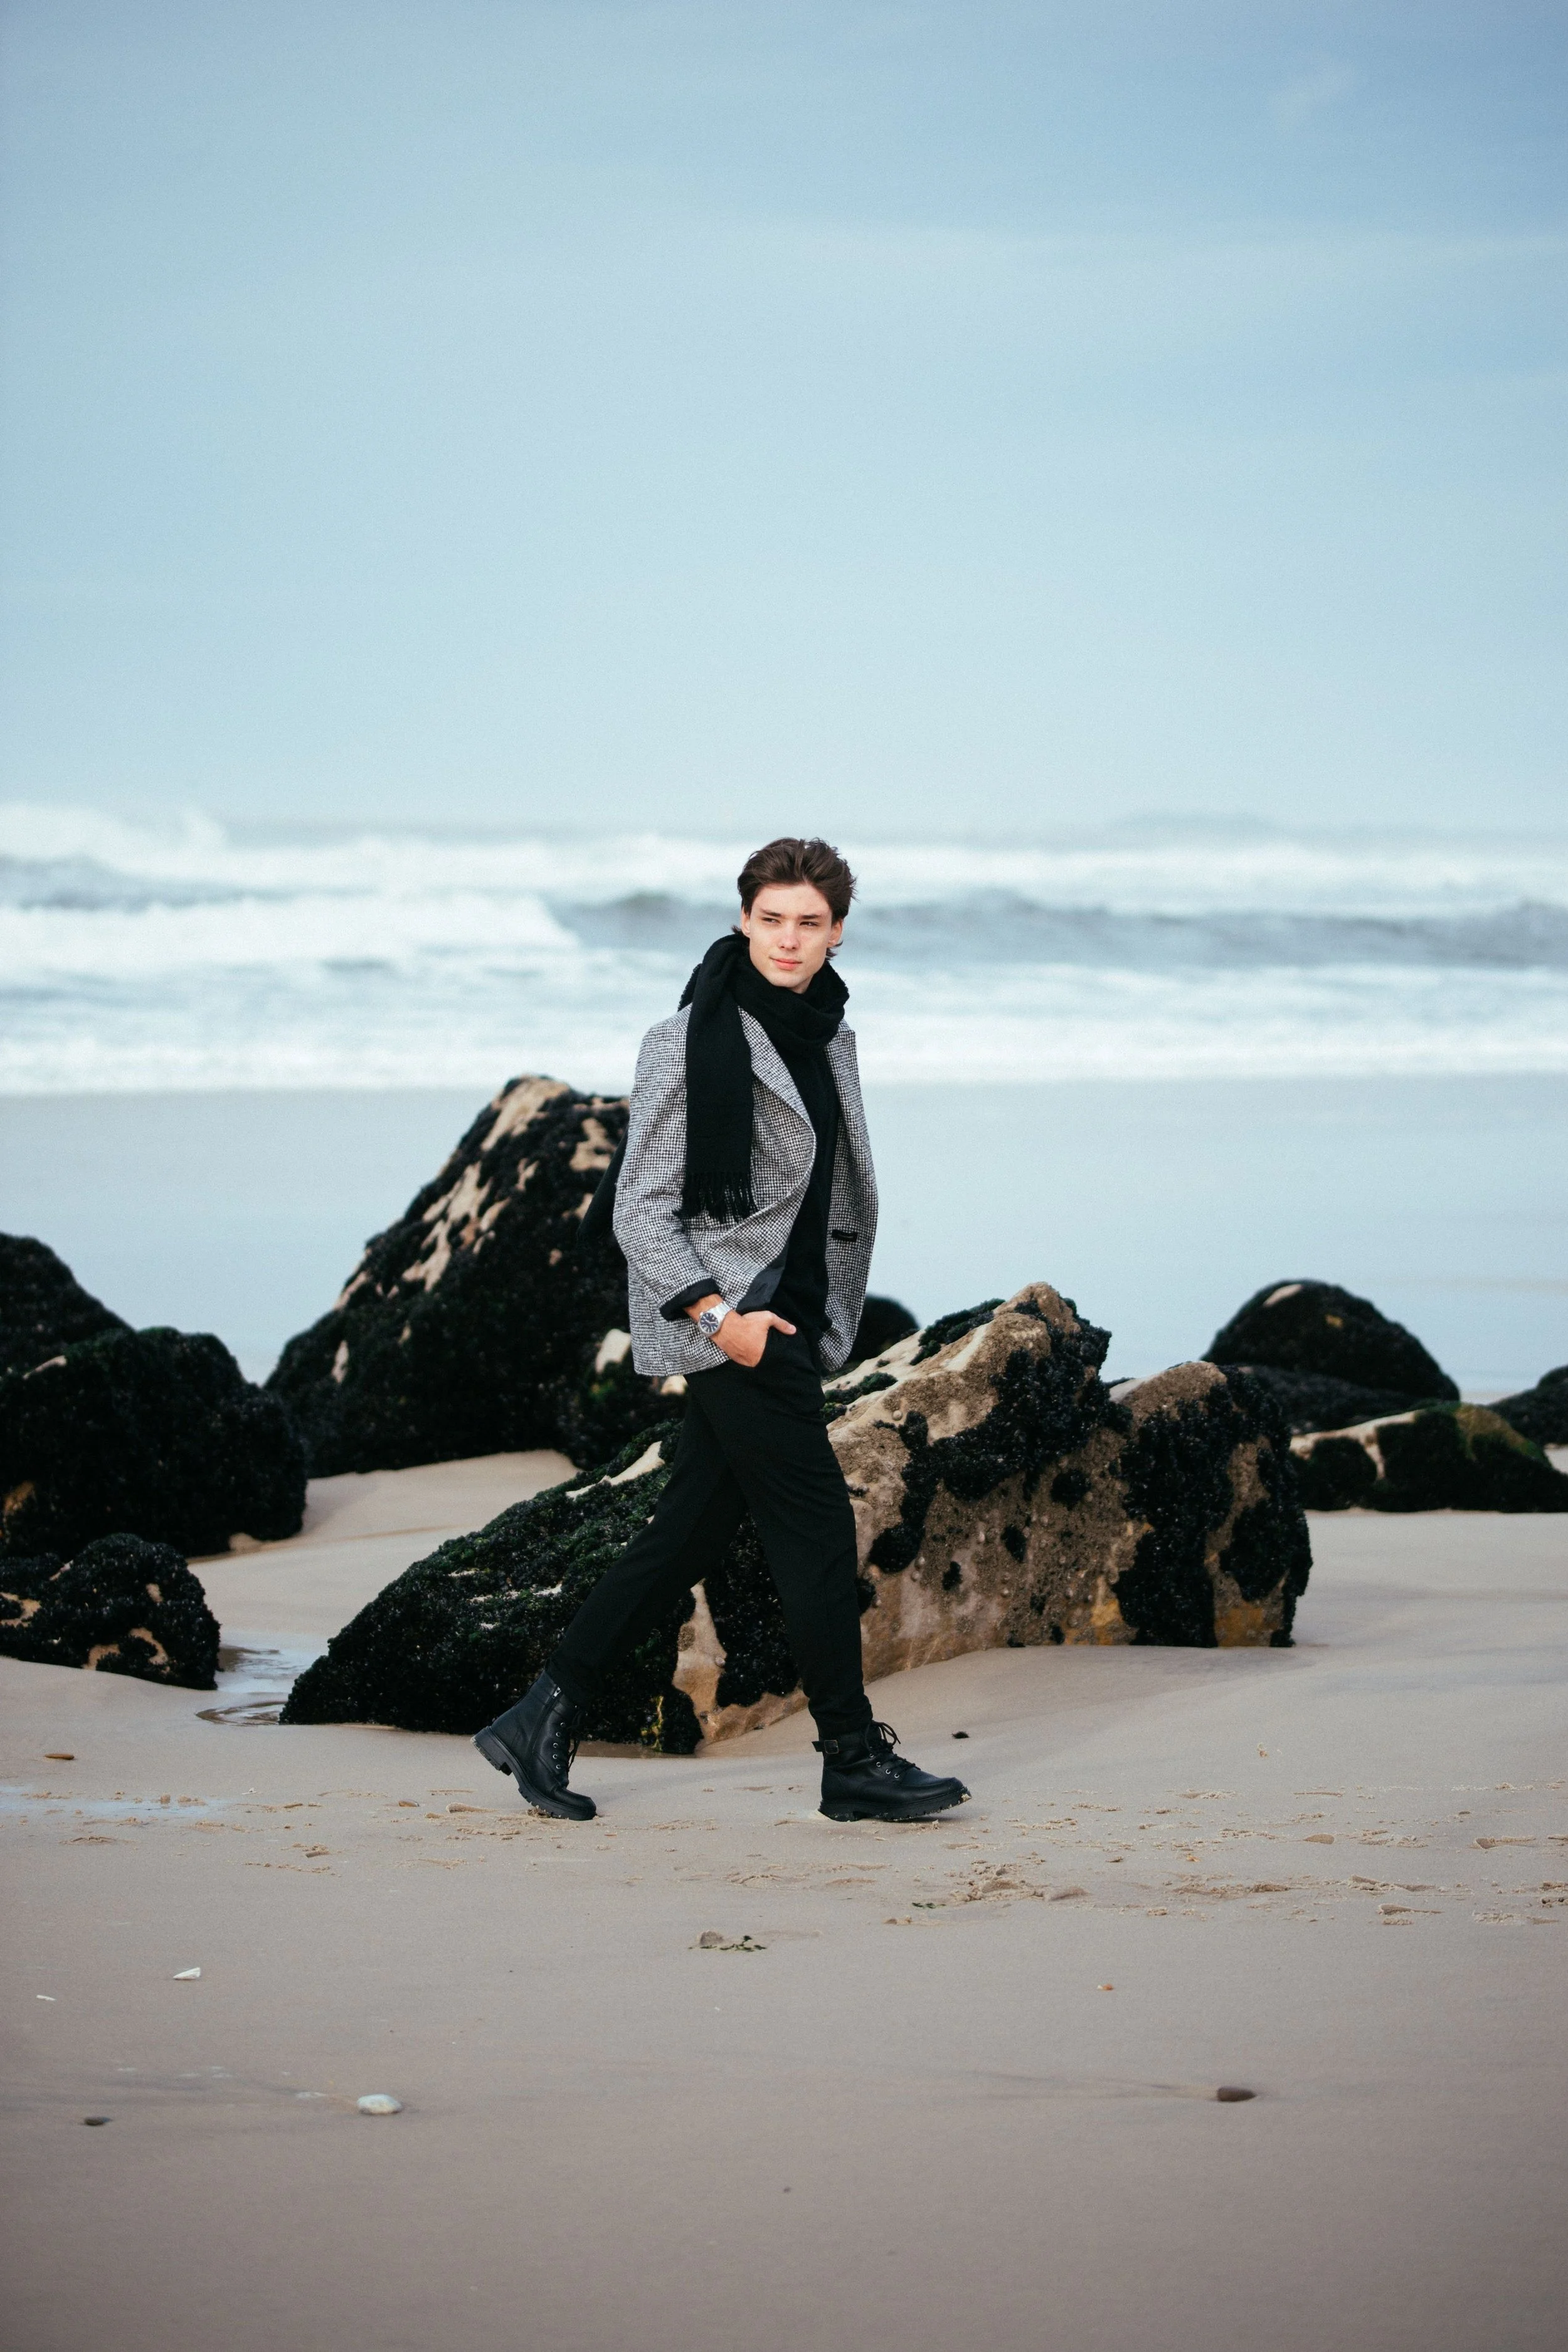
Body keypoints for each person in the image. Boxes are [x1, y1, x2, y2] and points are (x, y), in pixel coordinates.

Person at [475, 835, 970, 1826]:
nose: (789, 940)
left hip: (794, 1314)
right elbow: (639, 1209)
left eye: (811, 922)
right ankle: (852, 1758)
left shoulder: (830, 1035)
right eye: (772, 918)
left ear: (838, 932)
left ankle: (543, 1710)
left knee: (686, 1529)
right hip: (732, 1325)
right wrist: (720, 1321)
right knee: (818, 1528)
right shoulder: (687, 1039)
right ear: (745, 918)